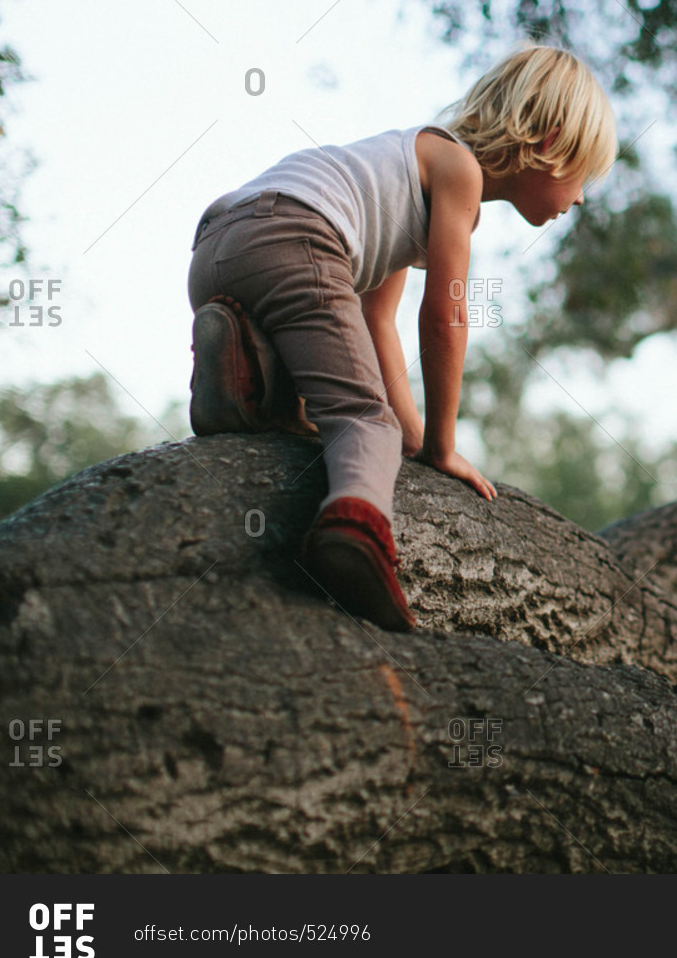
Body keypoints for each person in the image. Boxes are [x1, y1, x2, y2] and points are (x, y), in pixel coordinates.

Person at [186, 43, 617, 632]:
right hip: (299, 236)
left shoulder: (405, 167)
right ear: (547, 145)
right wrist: (440, 444)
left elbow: (375, 320)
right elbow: (445, 316)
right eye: (583, 175)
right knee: (362, 418)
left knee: (322, 378)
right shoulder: (459, 172)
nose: (582, 197)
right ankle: (355, 527)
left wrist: (410, 438)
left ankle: (246, 369)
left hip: (219, 246)